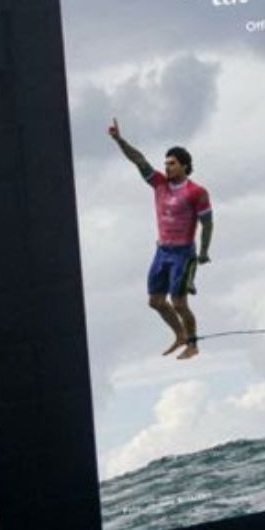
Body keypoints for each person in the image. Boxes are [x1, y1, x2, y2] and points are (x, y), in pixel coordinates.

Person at [108, 120, 214, 360]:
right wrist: (119, 140)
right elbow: (139, 159)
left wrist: (204, 252)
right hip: (162, 251)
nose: (167, 168)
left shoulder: (196, 192)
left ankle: (193, 344)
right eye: (165, 164)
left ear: (185, 166)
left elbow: (207, 223)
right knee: (155, 301)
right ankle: (179, 335)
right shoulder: (159, 184)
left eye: (172, 164)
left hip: (183, 254)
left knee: (179, 303)